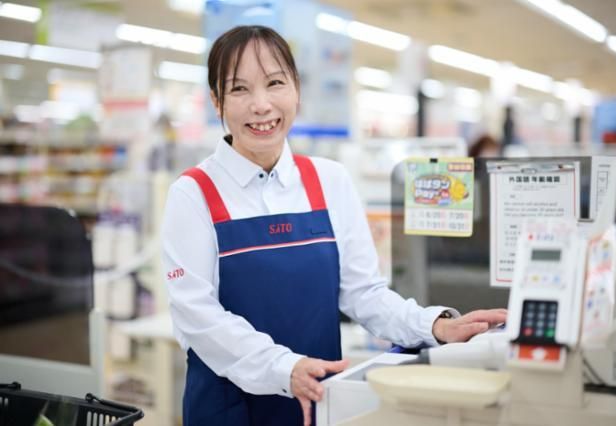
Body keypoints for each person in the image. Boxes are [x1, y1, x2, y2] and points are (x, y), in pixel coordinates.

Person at [162, 25, 507, 426]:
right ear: (216, 100)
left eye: (275, 83)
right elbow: (197, 316)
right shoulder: (194, 194)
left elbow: (364, 293)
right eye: (239, 89)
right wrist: (283, 368)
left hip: (318, 403)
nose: (261, 105)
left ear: (296, 89)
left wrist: (435, 325)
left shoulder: (329, 180)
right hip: (229, 411)